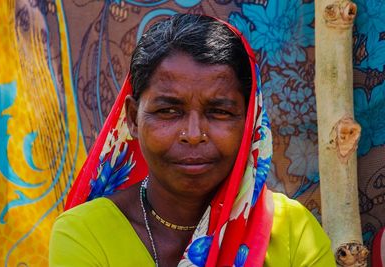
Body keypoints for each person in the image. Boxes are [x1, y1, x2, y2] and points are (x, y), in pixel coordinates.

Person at [49, 14, 336, 266]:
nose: (194, 134)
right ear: (133, 118)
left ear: (250, 122)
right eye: (169, 111)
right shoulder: (86, 234)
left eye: (219, 112)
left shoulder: (292, 233)